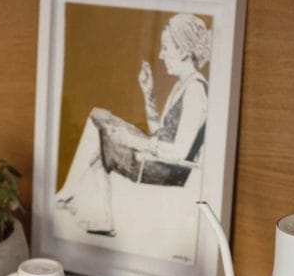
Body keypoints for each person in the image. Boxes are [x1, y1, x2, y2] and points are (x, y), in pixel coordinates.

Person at [55, 13, 211, 237]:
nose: (160, 54)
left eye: (166, 48)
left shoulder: (195, 91)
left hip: (164, 168)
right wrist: (147, 93)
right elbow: (159, 132)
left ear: (185, 51)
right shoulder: (182, 85)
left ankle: (75, 198)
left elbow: (179, 150)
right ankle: (96, 215)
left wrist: (133, 141)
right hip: (157, 156)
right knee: (98, 118)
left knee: (99, 134)